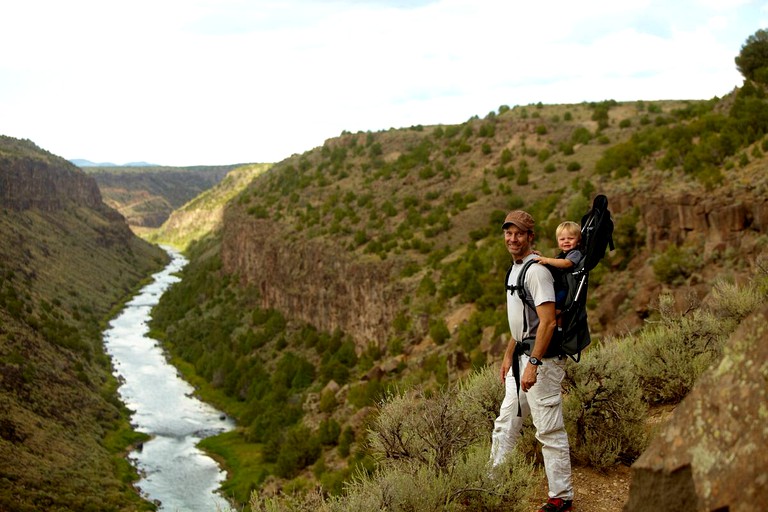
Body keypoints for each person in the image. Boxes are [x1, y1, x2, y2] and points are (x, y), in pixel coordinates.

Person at [490, 210, 574, 512]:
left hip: (542, 363)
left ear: (529, 237)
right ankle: (493, 483)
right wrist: (508, 354)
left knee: (549, 429)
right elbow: (522, 321)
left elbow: (548, 323)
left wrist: (534, 365)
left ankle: (561, 497)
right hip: (520, 359)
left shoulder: (536, 272)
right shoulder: (515, 269)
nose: (512, 239)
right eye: (508, 233)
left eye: (519, 234)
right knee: (505, 423)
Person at [533, 221, 583, 323]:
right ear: (558, 242)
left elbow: (566, 264)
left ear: (578, 241)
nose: (566, 241)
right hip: (557, 284)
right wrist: (542, 257)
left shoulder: (575, 253)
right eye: (562, 239)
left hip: (566, 287)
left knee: (557, 309)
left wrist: (547, 260)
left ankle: (559, 328)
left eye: (571, 238)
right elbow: (555, 264)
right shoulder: (561, 255)